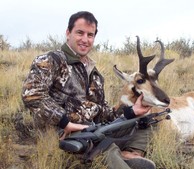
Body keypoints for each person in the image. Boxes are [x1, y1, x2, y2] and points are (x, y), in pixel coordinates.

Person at [22, 11, 156, 169]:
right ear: (68, 33)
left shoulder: (95, 74)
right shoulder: (51, 60)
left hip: (94, 130)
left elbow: (103, 113)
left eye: (90, 35)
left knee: (144, 122)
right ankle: (116, 158)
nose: (85, 39)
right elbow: (32, 95)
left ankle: (130, 154)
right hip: (64, 135)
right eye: (80, 33)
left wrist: (132, 111)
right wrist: (65, 123)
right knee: (105, 145)